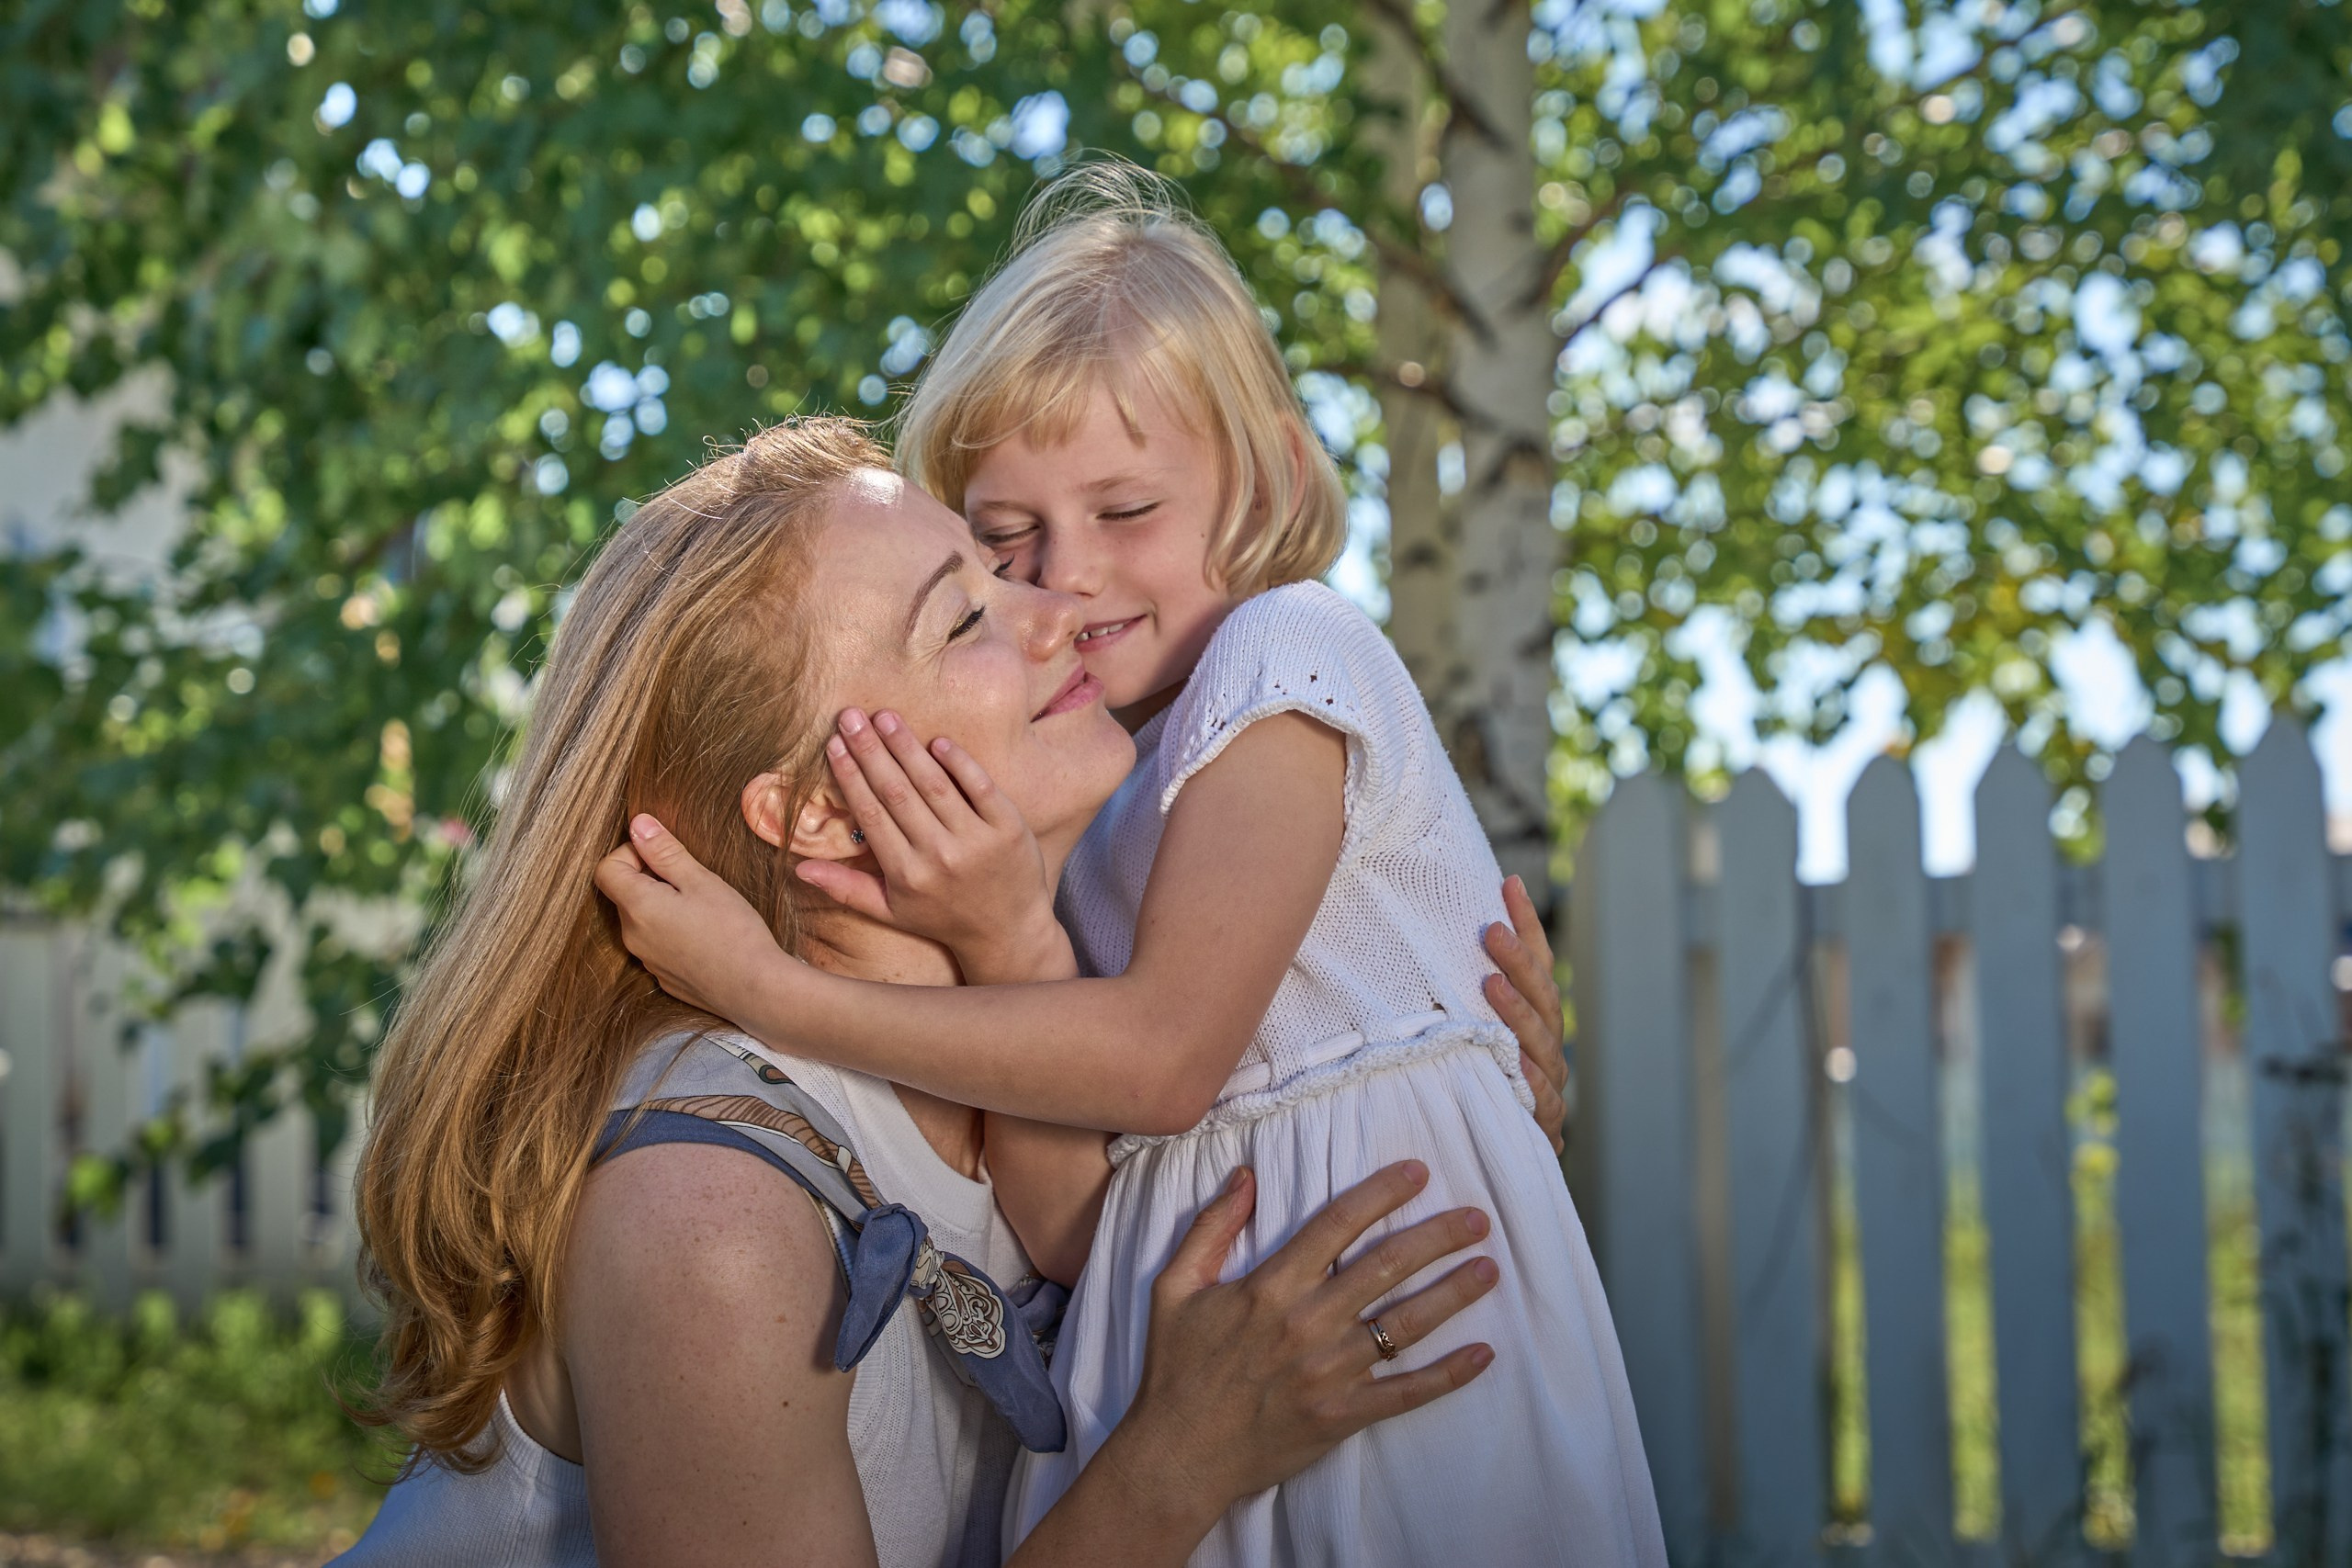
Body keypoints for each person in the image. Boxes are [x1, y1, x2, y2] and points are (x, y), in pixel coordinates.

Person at [597, 168, 1667, 1566]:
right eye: (1003, 544)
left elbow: (1162, 1061)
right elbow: (1081, 1237)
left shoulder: (1288, 664)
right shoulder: (1094, 822)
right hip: (1230, 1390)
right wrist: (1007, 938)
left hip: (1403, 1348)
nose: (1070, 581)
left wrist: (777, 996)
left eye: (1125, 510)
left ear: (1267, 479)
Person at [337, 419, 1560, 1567]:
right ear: (814, 808)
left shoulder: (1088, 1008)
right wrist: (1179, 1464)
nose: (1056, 608)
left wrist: (1486, 1107)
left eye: (998, 570)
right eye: (965, 616)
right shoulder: (708, 1202)